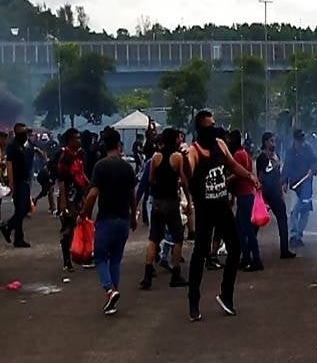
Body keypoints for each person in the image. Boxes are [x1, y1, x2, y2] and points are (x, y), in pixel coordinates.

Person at [184, 110, 259, 322]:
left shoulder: (220, 144)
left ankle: (226, 295)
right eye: (209, 126)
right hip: (205, 209)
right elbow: (188, 169)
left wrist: (250, 176)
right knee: (200, 254)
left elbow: (233, 165)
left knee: (235, 248)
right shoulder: (194, 151)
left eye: (214, 124)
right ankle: (193, 301)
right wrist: (185, 166)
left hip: (222, 206)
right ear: (200, 130)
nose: (214, 129)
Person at [82, 129, 138, 316]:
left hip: (106, 219)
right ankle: (111, 300)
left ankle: (109, 289)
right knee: (115, 260)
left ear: (104, 146)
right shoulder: (127, 167)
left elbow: (92, 194)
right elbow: (132, 195)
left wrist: (85, 214)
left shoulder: (101, 166)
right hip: (123, 220)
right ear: (119, 145)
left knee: (99, 257)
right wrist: (133, 217)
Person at [140, 128, 190, 289]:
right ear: (174, 139)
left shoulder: (156, 156)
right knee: (178, 238)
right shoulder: (177, 157)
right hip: (171, 201)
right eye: (178, 138)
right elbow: (183, 180)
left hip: (157, 202)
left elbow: (150, 179)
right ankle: (176, 274)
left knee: (154, 238)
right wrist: (187, 200)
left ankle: (147, 276)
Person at [256, 132, 294, 260]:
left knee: (282, 219)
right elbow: (260, 177)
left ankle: (284, 250)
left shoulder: (276, 156)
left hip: (274, 193)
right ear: (266, 142)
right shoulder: (262, 157)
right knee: (256, 221)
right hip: (266, 192)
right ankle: (250, 248)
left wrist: (280, 192)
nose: (274, 144)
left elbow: (278, 175)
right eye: (272, 141)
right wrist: (261, 196)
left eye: (274, 141)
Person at [56, 129, 90, 273]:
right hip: (69, 197)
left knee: (81, 225)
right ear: (69, 141)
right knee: (68, 228)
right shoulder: (65, 158)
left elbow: (81, 174)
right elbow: (62, 181)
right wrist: (63, 203)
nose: (79, 141)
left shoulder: (78, 155)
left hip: (78, 196)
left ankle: (80, 255)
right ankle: (67, 260)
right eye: (76, 138)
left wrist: (89, 186)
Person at [228, 129, 262, 272]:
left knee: (247, 230)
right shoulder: (244, 153)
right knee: (241, 230)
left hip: (245, 195)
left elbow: (238, 173)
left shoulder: (238, 154)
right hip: (246, 194)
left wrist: (225, 180)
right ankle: (247, 257)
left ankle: (255, 260)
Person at [284, 129, 317, 248]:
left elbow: (315, 160)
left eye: (302, 140)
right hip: (295, 185)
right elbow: (286, 167)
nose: (301, 142)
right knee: (294, 211)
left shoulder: (308, 149)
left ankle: (299, 235)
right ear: (295, 140)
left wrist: (312, 170)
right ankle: (294, 235)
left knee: (305, 210)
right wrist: (284, 182)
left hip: (306, 185)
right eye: (299, 140)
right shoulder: (290, 152)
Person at [1, 123, 35, 248]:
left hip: (26, 180)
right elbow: (9, 164)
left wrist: (40, 152)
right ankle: (8, 226)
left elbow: (32, 150)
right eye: (22, 133)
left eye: (25, 132)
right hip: (17, 181)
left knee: (24, 209)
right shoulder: (13, 146)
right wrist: (11, 183)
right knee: (21, 209)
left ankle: (18, 238)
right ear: (17, 133)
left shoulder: (28, 143)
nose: (24, 135)